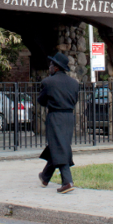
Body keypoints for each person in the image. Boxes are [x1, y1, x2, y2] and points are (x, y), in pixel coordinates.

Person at [37, 52, 80, 194]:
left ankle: (67, 181)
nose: (49, 67)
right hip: (69, 117)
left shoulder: (48, 82)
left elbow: (41, 101)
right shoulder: (74, 83)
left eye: (51, 64)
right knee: (59, 145)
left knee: (60, 146)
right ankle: (45, 176)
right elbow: (75, 99)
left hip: (55, 117)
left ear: (56, 68)